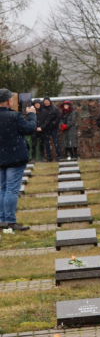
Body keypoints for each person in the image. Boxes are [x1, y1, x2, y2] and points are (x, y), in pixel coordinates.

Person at [0, 89, 36, 231]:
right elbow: (30, 129)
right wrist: (32, 115)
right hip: (15, 158)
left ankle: (2, 219)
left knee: (2, 189)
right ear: (9, 101)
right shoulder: (14, 116)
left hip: (1, 158)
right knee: (11, 190)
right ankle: (10, 221)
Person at [40, 97, 62, 161]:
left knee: (56, 142)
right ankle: (49, 157)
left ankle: (59, 155)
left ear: (49, 102)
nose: (46, 102)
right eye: (45, 101)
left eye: (47, 101)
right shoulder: (42, 109)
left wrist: (54, 123)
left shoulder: (54, 109)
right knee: (46, 143)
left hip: (53, 128)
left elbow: (58, 117)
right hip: (45, 128)